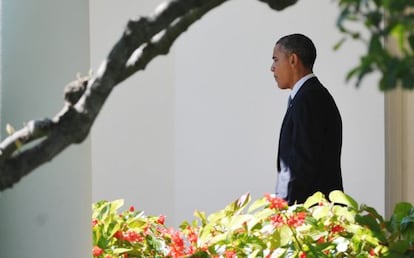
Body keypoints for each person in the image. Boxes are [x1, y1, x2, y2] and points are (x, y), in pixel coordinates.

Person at [271, 33, 343, 205]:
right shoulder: (309, 96)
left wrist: (283, 208)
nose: (272, 68)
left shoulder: (309, 99)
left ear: (293, 60)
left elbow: (300, 165)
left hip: (311, 214)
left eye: (276, 59)